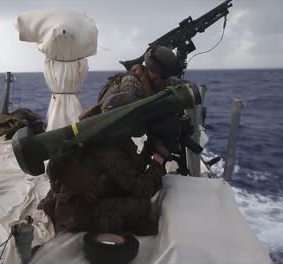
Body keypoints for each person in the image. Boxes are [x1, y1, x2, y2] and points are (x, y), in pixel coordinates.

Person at [37, 46, 190, 235]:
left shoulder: (92, 135)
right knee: (142, 205)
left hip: (70, 197)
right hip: (79, 212)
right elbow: (142, 189)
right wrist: (158, 160)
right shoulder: (110, 152)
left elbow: (54, 169)